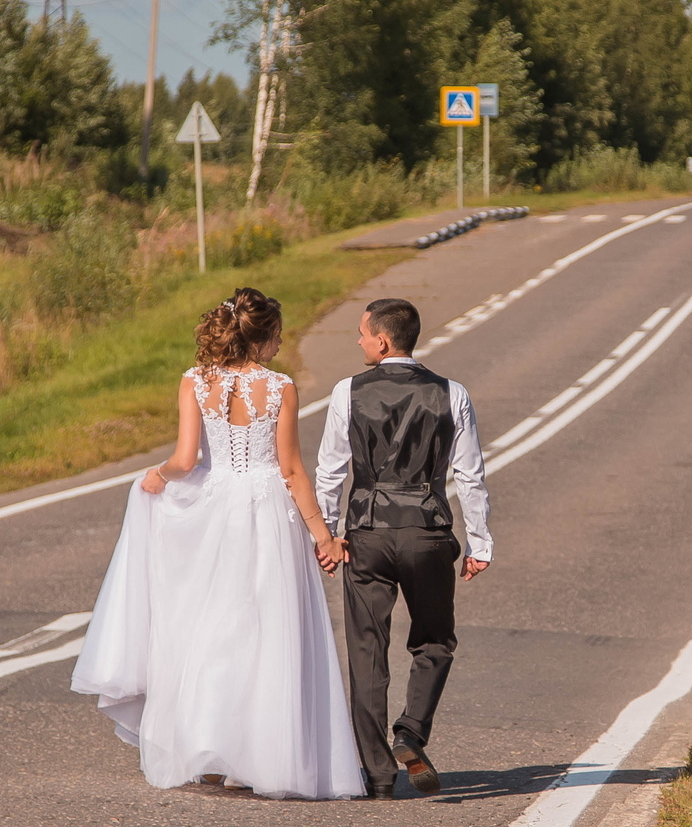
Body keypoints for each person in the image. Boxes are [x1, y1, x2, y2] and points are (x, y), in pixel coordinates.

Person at [68, 288, 365, 800]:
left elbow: (185, 459)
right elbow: (293, 470)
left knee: (211, 626)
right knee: (266, 630)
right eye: (278, 335)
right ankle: (259, 757)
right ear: (263, 337)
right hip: (268, 510)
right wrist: (323, 537)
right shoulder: (281, 388)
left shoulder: (195, 381)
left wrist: (158, 476)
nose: (280, 344)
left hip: (215, 507)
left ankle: (208, 750)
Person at [313, 298, 494, 800]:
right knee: (434, 641)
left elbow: (330, 471)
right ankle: (411, 732)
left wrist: (327, 535)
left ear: (383, 340)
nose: (358, 340)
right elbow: (469, 474)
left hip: (367, 533)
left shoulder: (347, 391)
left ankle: (377, 775)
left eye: (362, 332)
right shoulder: (452, 393)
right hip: (427, 531)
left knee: (366, 651)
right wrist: (479, 542)